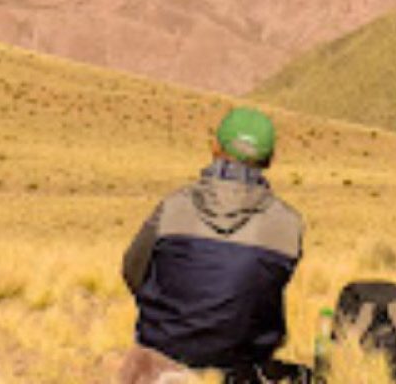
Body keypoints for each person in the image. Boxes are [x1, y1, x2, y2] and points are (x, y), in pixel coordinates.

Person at [119, 106, 306, 384]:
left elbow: (132, 272)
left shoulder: (173, 207)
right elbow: (264, 291)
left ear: (215, 147)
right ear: (270, 159)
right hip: (245, 368)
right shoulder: (289, 224)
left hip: (161, 362)